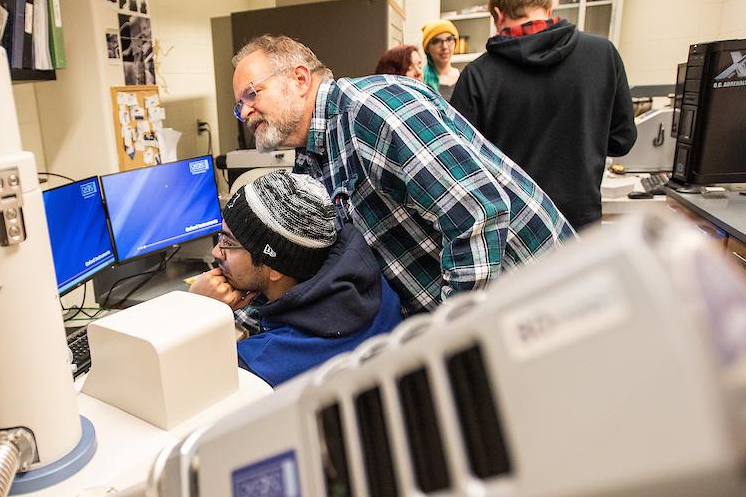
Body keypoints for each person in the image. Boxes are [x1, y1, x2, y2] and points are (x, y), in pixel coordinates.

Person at [230, 34, 573, 318]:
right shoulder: (312, 159)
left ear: (300, 79)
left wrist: (453, 334)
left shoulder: (371, 110)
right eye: (238, 105)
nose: (244, 112)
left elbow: (477, 214)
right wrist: (231, 307)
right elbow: (309, 263)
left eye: (251, 94)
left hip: (539, 300)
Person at [450, 0, 636, 230]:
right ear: (549, 9)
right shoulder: (603, 55)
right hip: (579, 227)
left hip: (514, 234)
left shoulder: (478, 75)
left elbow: (460, 164)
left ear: (498, 15)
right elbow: (622, 140)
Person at [188, 171, 401, 387]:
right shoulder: (375, 288)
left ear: (275, 268)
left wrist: (198, 311)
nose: (216, 251)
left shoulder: (261, 363)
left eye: (228, 243)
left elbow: (184, 385)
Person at [420, 19, 461, 100]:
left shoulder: (464, 78)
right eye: (437, 41)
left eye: (449, 39)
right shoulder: (421, 81)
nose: (445, 46)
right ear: (427, 48)